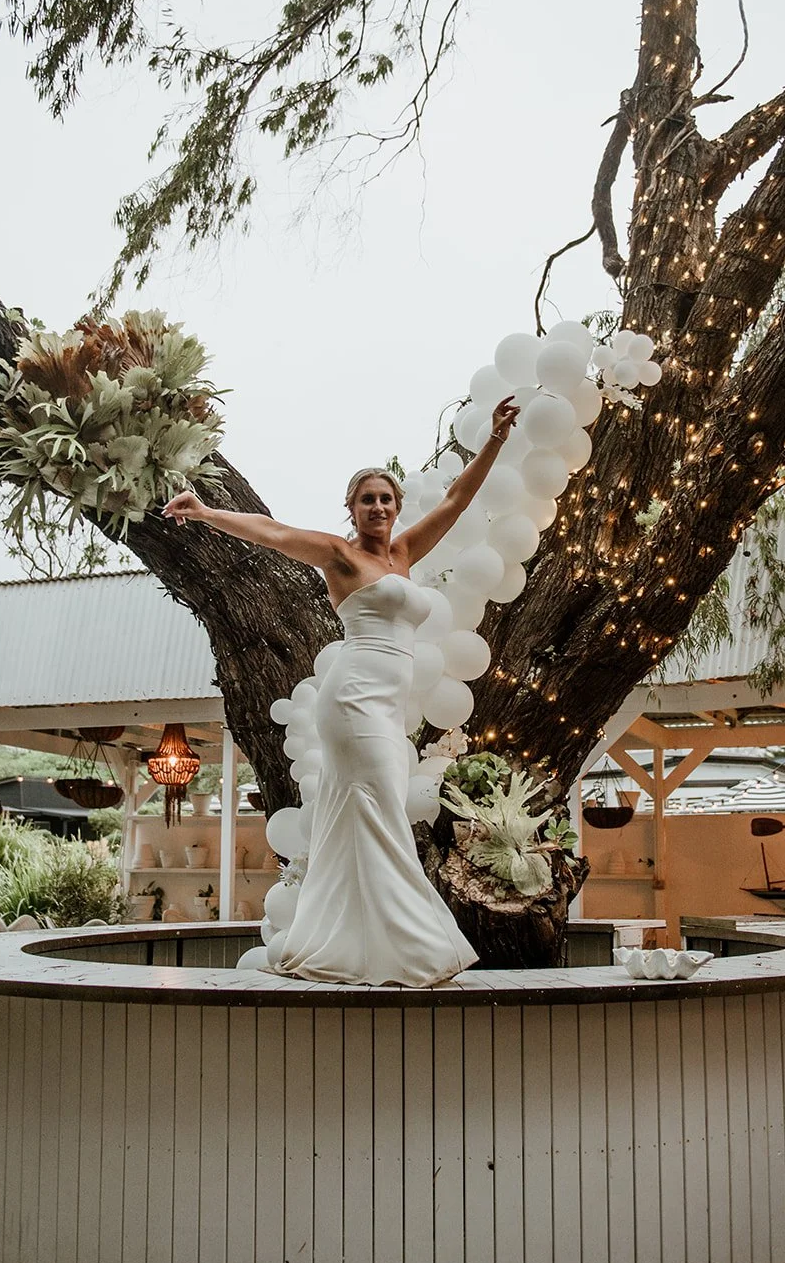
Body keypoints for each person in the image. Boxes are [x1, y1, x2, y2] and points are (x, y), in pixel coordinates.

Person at [164, 397, 519, 985]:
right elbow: (273, 533)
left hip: (386, 703)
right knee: (380, 809)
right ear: (351, 509)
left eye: (386, 498)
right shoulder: (340, 556)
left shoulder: (405, 553)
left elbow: (458, 499)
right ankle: (413, 945)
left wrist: (496, 442)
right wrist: (205, 513)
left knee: (370, 811)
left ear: (396, 507)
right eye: (366, 499)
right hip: (352, 701)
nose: (377, 506)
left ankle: (362, 946)